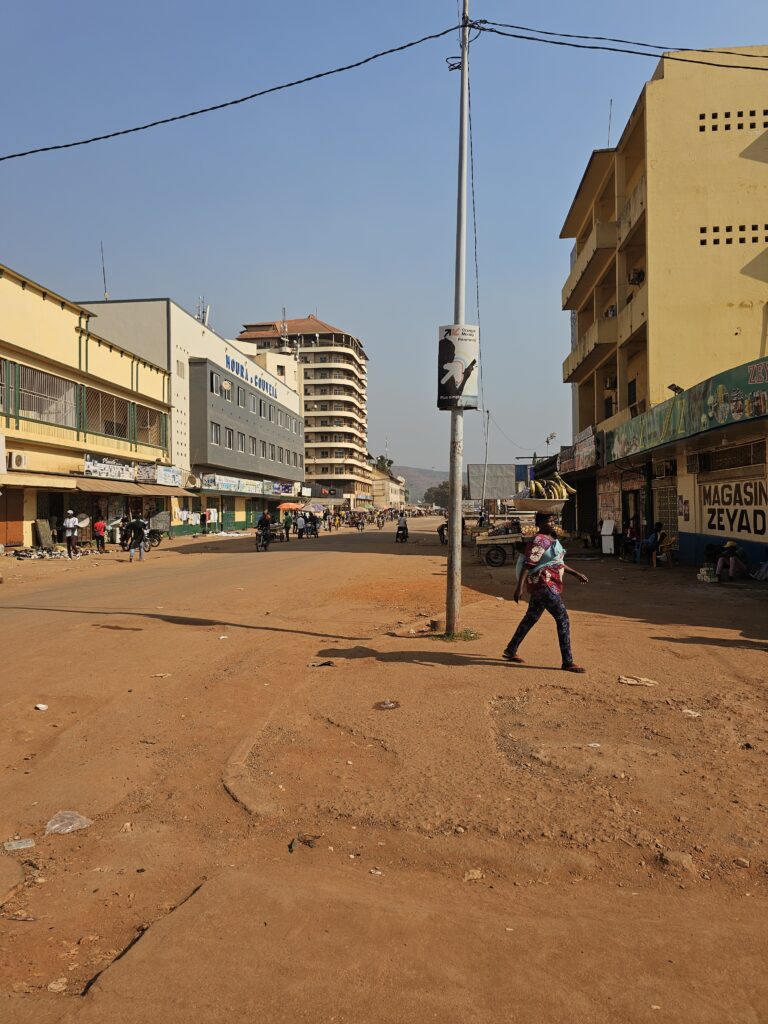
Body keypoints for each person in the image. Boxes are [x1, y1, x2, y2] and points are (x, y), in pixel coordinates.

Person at [502, 511, 588, 673]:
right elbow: (528, 564)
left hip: (548, 583)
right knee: (562, 618)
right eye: (549, 521)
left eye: (553, 520)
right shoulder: (539, 541)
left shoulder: (551, 540)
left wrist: (576, 574)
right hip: (544, 584)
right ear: (540, 524)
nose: (553, 523)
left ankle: (511, 650)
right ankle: (567, 661)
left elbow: (557, 562)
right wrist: (519, 587)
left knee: (531, 618)